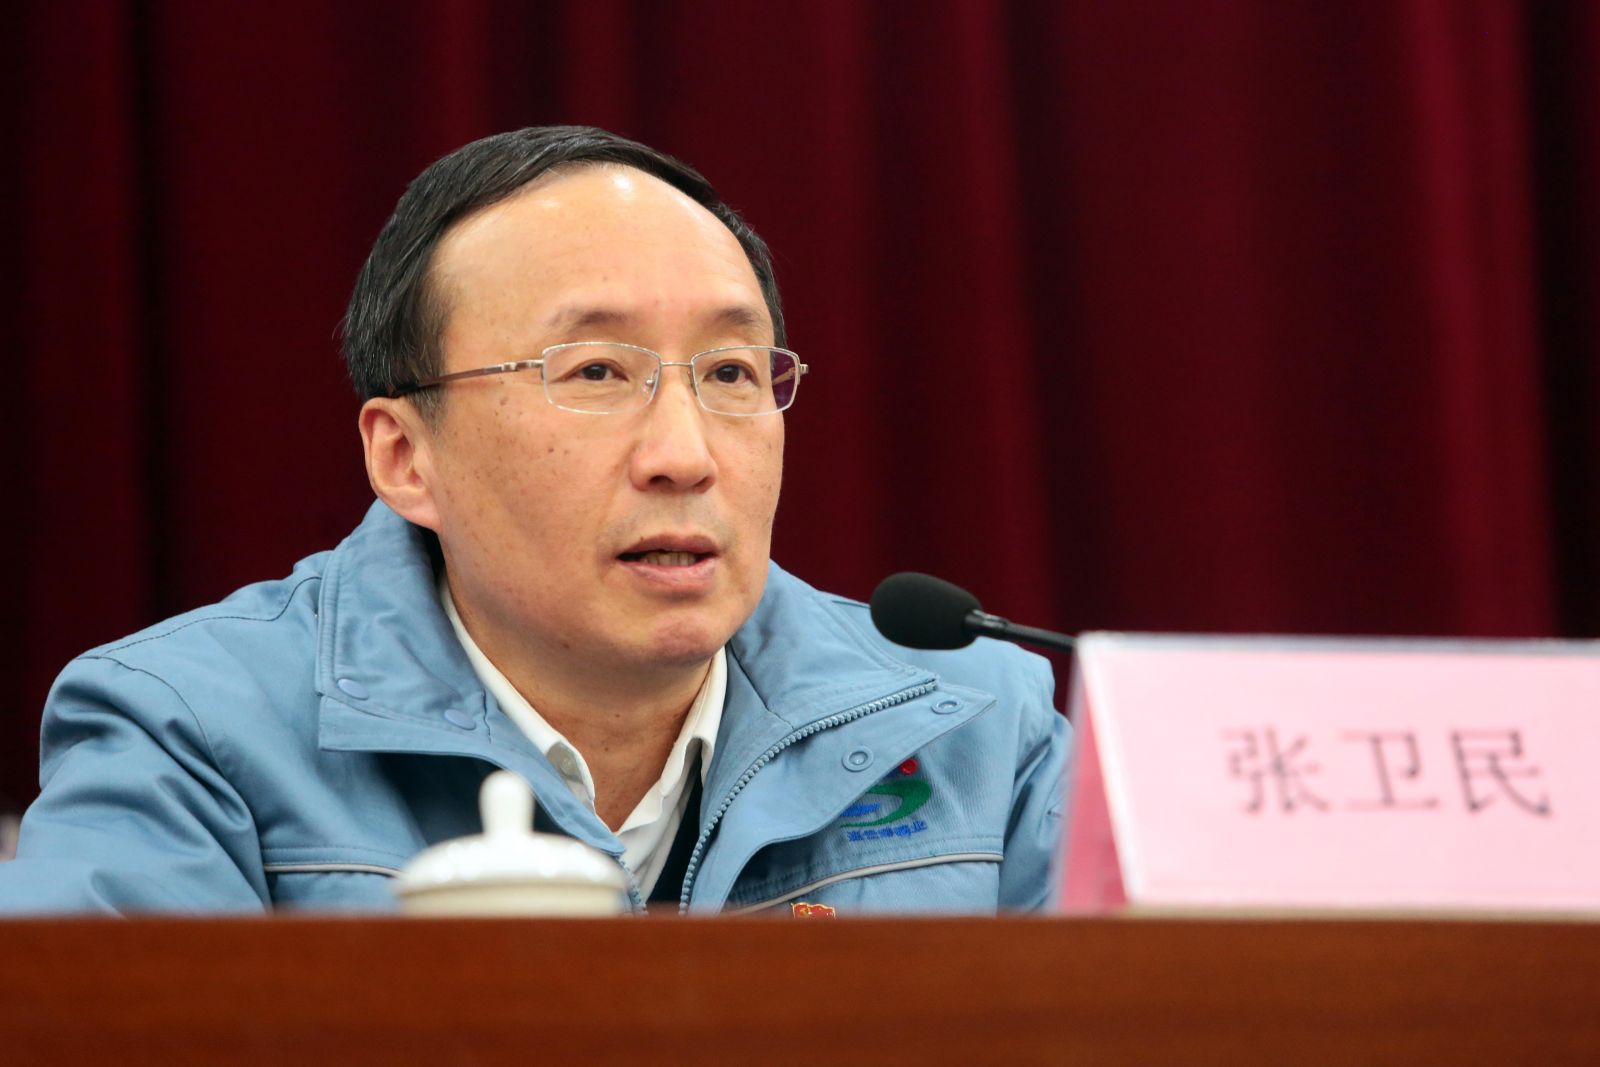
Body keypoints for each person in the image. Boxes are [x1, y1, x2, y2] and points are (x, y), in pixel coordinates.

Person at [0, 126, 1069, 914]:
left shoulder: (977, 725)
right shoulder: (193, 734)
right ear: (405, 456)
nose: (686, 455)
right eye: (595, 371)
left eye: (731, 372)